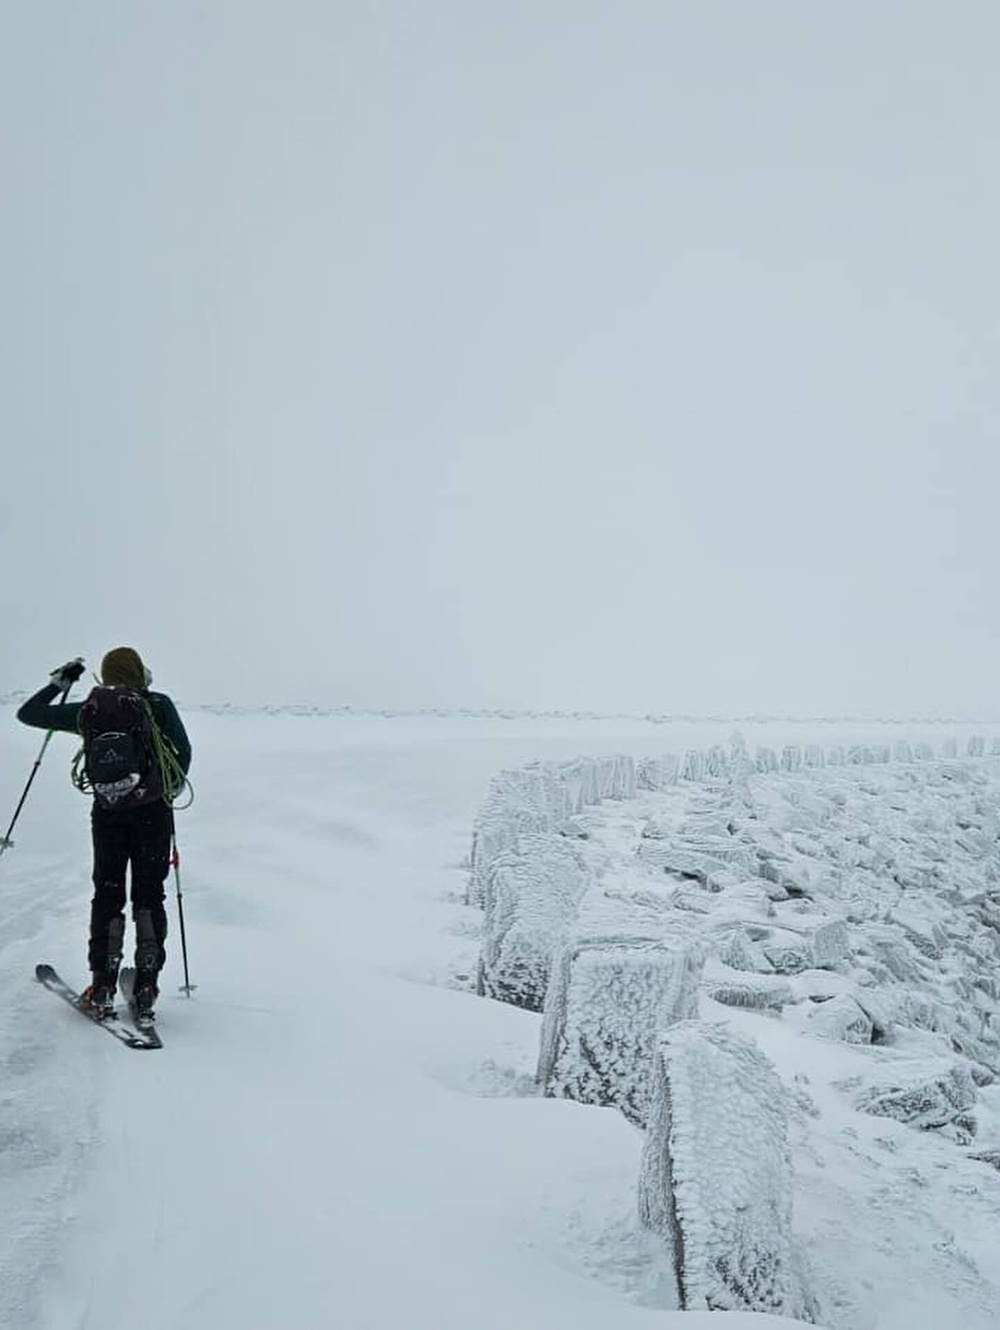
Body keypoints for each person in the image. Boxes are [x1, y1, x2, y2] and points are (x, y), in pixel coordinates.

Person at [16, 647, 191, 1020]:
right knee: (149, 895)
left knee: (108, 893)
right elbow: (184, 753)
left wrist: (58, 685)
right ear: (140, 673)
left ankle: (104, 985)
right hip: (154, 816)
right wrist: (166, 790)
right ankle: (146, 986)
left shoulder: (90, 710)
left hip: (108, 815)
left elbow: (27, 714)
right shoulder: (157, 704)